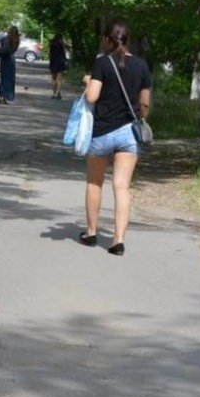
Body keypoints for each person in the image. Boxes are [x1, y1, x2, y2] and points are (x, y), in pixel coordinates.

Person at [80, 19, 152, 256]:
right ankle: (118, 240)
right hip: (128, 134)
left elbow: (92, 97)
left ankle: (91, 233)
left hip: (102, 133)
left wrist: (88, 82)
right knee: (121, 187)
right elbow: (144, 103)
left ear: (106, 40)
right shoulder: (142, 66)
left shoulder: (102, 63)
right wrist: (142, 116)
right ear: (127, 39)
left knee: (94, 182)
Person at [0, 26, 20, 104]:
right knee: (10, 79)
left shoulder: (4, 39)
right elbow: (14, 50)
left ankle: (0, 97)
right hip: (11, 60)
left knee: (3, 78)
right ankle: (6, 97)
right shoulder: (17, 40)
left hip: (4, 60)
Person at [48, 33, 68, 100]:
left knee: (53, 78)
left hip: (53, 62)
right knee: (59, 79)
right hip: (60, 62)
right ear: (60, 38)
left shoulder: (52, 44)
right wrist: (66, 60)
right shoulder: (61, 44)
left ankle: (54, 93)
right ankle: (58, 93)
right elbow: (64, 53)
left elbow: (50, 54)